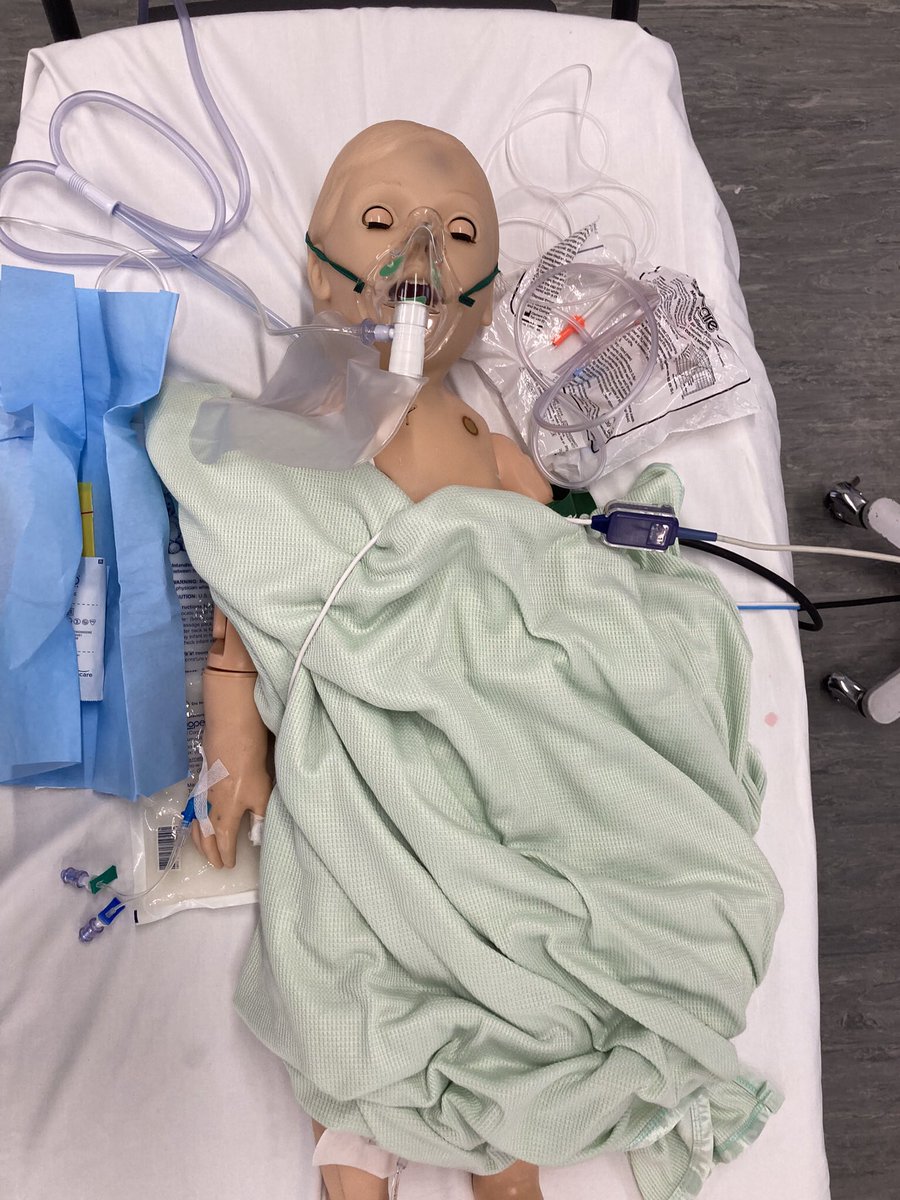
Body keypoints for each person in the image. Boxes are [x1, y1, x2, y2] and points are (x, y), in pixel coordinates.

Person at [146, 120, 781, 1200]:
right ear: (318, 271)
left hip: (505, 703)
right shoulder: (285, 423)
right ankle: (363, 1140)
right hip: (366, 708)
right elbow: (257, 561)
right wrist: (235, 725)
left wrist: (613, 594)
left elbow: (555, 569)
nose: (418, 257)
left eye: (457, 236)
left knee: (536, 888)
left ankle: (510, 1140)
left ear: (483, 305)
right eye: (381, 222)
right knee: (350, 902)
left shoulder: (496, 445)